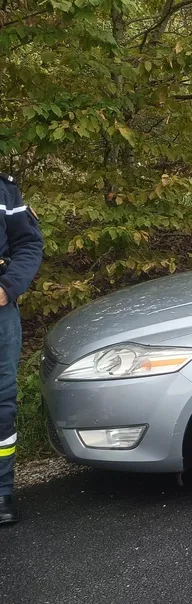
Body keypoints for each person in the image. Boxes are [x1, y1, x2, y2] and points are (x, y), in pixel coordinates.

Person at [0, 173, 44, 526]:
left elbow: (28, 244)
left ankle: (2, 491)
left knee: (2, 404)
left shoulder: (4, 190)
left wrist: (9, 287)